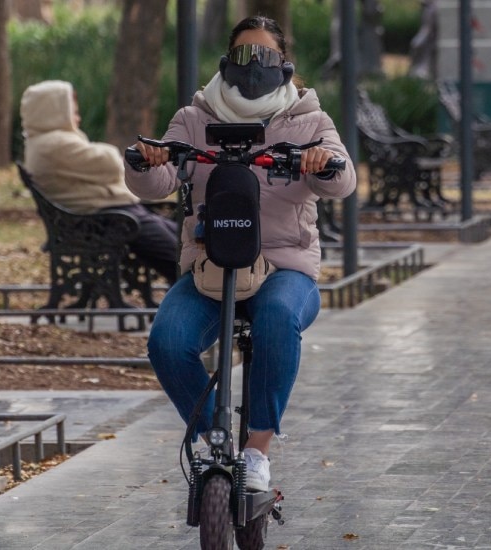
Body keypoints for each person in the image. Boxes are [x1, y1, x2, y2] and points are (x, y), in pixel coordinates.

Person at [124, 16, 356, 492]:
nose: (254, 66)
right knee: (167, 342)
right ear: (227, 61)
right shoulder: (195, 118)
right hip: (213, 267)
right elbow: (160, 182)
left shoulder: (310, 120)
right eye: (243, 55)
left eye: (265, 56)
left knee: (275, 320)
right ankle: (213, 434)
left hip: (286, 268)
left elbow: (342, 181)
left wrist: (322, 162)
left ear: (285, 64)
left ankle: (256, 451)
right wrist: (146, 162)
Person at [19, 80, 180, 283]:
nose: (76, 117)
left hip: (107, 215)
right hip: (107, 219)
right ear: (54, 111)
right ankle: (200, 296)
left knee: (179, 239)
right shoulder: (54, 143)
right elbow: (111, 162)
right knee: (177, 255)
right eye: (71, 111)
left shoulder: (44, 142)